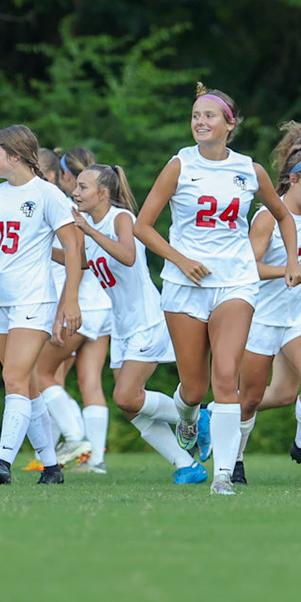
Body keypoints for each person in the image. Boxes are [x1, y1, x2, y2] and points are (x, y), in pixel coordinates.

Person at [133, 83, 301, 495]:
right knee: (194, 389)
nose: (200, 122)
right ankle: (189, 418)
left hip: (237, 282)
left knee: (225, 376)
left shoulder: (250, 169)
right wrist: (180, 260)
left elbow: (284, 216)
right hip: (184, 285)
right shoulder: (179, 165)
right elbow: (142, 226)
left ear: (230, 124)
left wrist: (293, 261)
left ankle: (222, 475)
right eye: (195, 116)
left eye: (209, 116)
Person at [0, 124, 84, 485]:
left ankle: (3, 462)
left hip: (35, 299)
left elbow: (74, 249)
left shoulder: (47, 195)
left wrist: (70, 300)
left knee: (12, 377)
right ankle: (52, 467)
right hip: (0, 301)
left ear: (15, 155)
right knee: (26, 385)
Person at [72, 164, 206, 483]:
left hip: (146, 320)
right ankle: (186, 465)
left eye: (82, 187)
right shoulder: (90, 224)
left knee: (127, 396)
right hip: (122, 325)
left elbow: (128, 255)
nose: (75, 193)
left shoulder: (121, 218)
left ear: (103, 194)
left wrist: (88, 231)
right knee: (131, 407)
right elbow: (79, 262)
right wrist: (35, 249)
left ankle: (202, 418)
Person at [238, 138, 301, 486]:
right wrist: (287, 271)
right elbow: (248, 267)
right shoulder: (267, 216)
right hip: (261, 318)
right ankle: (233, 461)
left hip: (300, 318)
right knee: (250, 398)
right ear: (293, 180)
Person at [26, 145, 100, 471]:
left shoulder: (59, 208)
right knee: (67, 379)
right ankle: (73, 456)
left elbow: (77, 262)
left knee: (41, 375)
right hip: (90, 304)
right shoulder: (55, 205)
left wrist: (62, 310)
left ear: (53, 176)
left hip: (74, 304)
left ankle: (75, 442)